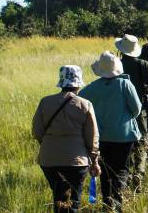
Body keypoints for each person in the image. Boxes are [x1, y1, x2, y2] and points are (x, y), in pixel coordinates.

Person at [32, 65, 100, 213]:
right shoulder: (85, 104)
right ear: (78, 83)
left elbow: (37, 131)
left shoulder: (45, 102)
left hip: (49, 159)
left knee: (59, 196)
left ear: (61, 81)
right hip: (77, 161)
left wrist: (50, 143)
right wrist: (94, 161)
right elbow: (92, 137)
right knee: (74, 200)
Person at [79, 52, 142, 212]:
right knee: (121, 169)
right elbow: (137, 109)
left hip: (100, 137)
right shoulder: (125, 84)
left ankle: (107, 203)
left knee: (105, 170)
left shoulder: (92, 87)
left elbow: (80, 104)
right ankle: (118, 203)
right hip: (124, 135)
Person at [114, 34, 148, 190]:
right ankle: (138, 175)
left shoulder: (116, 64)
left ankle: (124, 175)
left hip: (119, 109)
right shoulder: (143, 64)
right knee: (141, 143)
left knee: (125, 143)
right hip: (139, 110)